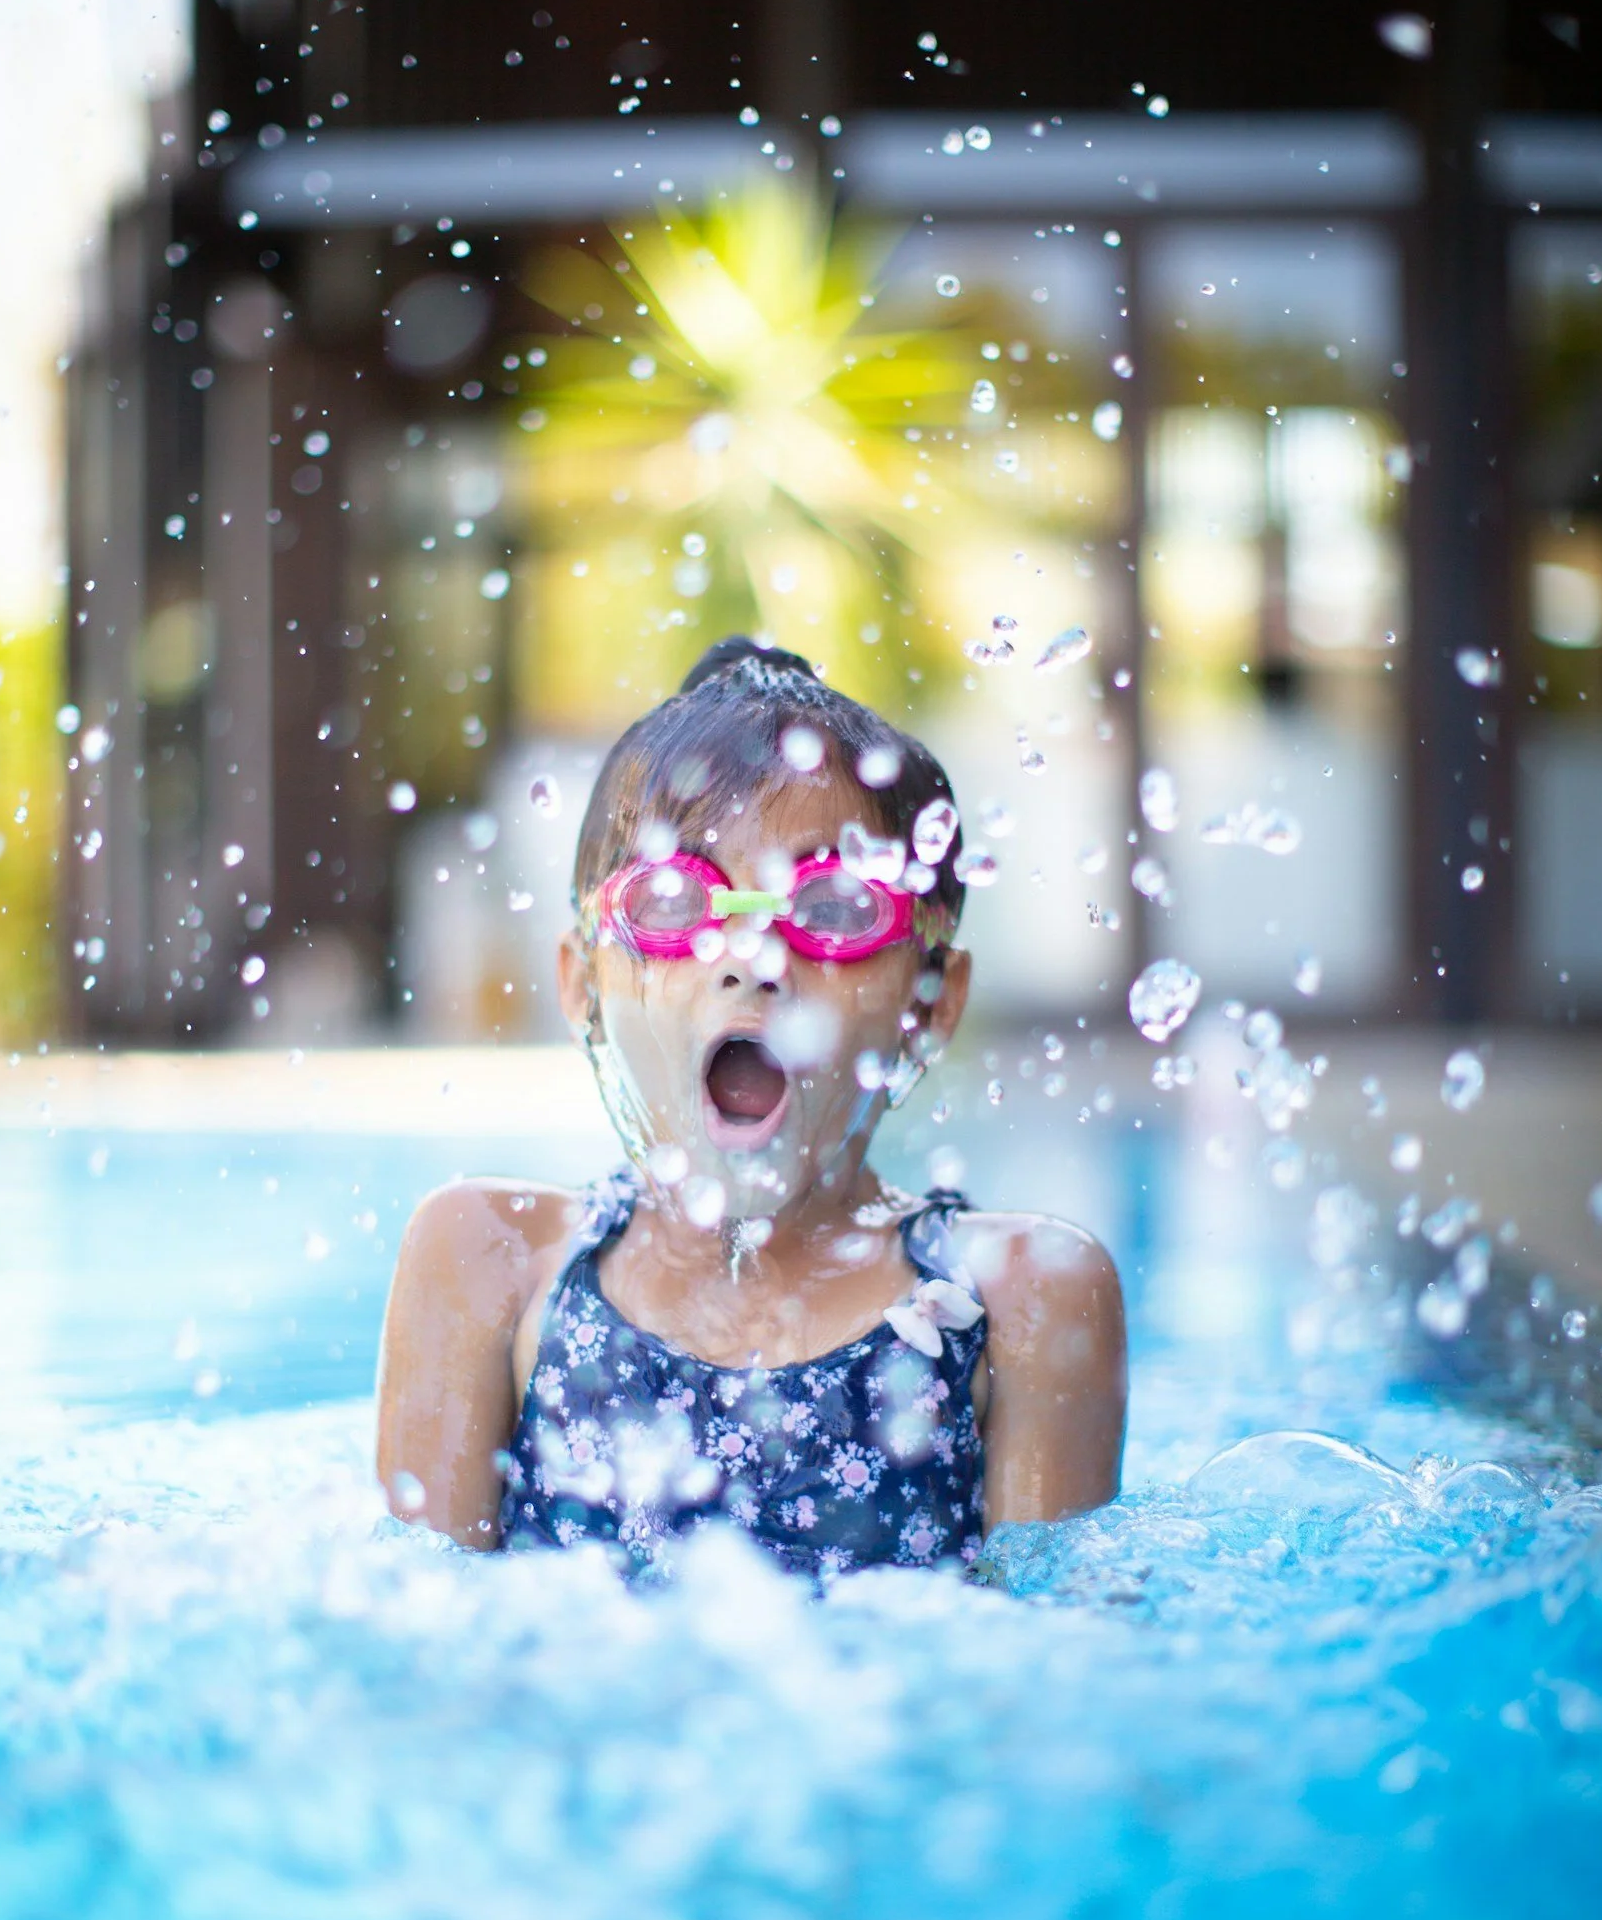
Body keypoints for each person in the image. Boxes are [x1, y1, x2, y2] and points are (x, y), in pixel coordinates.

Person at [376, 637, 1125, 1576]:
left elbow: (1060, 1673)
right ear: (581, 985)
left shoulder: (1019, 1293)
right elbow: (417, 1655)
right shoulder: (491, 1261)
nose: (750, 958)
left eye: (838, 910)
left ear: (931, 1000)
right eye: (671, 902)